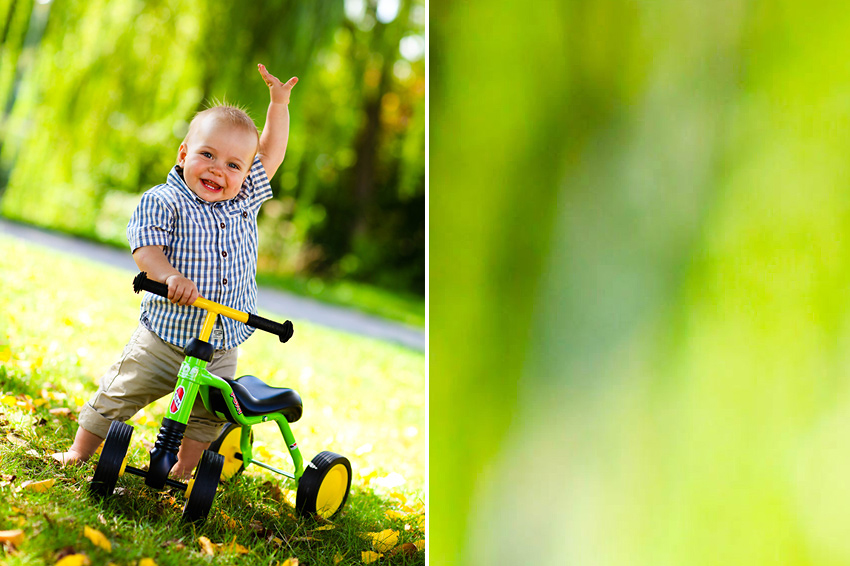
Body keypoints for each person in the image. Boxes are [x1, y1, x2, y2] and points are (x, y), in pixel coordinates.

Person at [52, 64, 297, 479]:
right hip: (164, 336)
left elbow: (270, 152)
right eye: (207, 155)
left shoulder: (244, 199)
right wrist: (169, 277)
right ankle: (79, 450)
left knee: (206, 416)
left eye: (234, 165)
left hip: (220, 343)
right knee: (119, 392)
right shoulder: (165, 200)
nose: (219, 169)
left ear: (246, 173)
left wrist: (279, 105)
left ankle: (182, 472)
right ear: (184, 153)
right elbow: (145, 248)